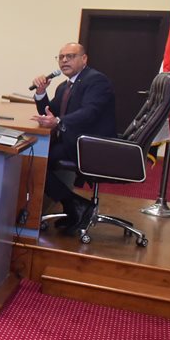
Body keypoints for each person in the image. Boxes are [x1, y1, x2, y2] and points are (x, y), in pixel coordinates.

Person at [31, 42, 117, 232]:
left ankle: (73, 204)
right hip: (74, 141)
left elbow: (89, 112)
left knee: (35, 161)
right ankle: (73, 206)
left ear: (84, 59)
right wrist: (41, 92)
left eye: (70, 56)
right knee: (34, 158)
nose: (64, 61)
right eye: (61, 57)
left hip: (92, 146)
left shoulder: (96, 81)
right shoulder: (65, 86)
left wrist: (58, 121)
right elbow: (50, 112)